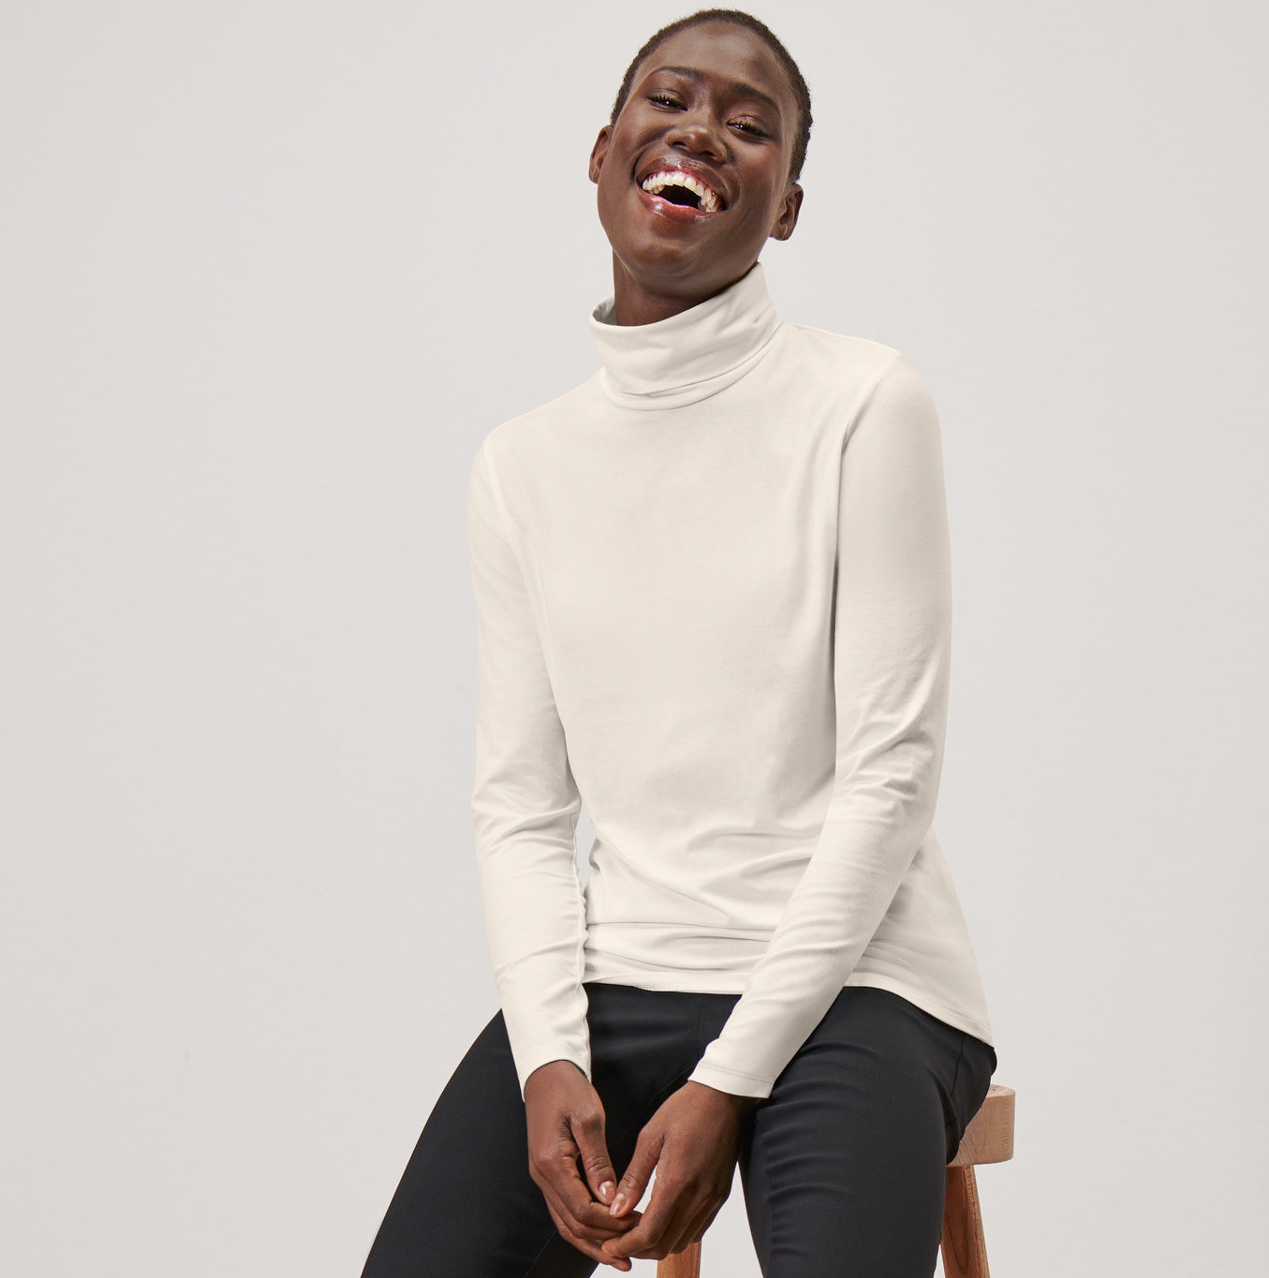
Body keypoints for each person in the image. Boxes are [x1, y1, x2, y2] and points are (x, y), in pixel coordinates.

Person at [360, 9, 998, 1276]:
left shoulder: (863, 404)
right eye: (671, 100)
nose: (703, 129)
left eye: (752, 125)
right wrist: (547, 1050)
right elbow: (523, 807)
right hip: (617, 984)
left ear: (789, 206)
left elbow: (890, 777)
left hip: (858, 990)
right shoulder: (522, 467)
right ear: (604, 152)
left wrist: (729, 1081)